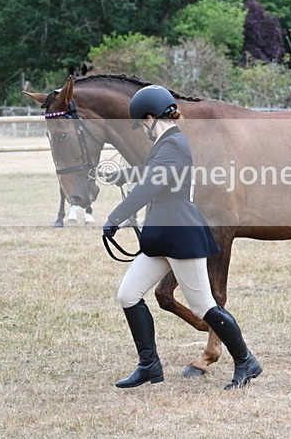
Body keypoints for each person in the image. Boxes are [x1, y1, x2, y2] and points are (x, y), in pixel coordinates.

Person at [102, 85, 262, 390]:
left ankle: (246, 361)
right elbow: (152, 172)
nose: (143, 130)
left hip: (180, 236)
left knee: (204, 306)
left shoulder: (173, 144)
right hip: (162, 235)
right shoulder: (166, 144)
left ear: (150, 118)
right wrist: (124, 175)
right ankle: (149, 365)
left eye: (142, 124)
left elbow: (151, 185)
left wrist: (115, 218)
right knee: (128, 294)